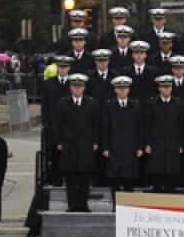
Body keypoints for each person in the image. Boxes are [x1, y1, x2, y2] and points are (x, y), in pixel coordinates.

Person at [54, 74, 99, 212]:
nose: (77, 89)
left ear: (84, 88)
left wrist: (96, 141)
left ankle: (83, 204)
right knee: (71, 178)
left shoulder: (91, 103)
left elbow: (96, 124)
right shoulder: (63, 103)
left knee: (84, 178)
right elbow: (58, 125)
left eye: (80, 87)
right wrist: (59, 142)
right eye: (74, 86)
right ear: (70, 88)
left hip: (85, 145)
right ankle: (72, 205)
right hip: (69, 146)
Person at [146, 75, 184, 192]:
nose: (166, 89)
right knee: (157, 169)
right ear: (159, 88)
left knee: (172, 170)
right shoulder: (152, 103)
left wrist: (181, 144)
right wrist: (148, 143)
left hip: (173, 143)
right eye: (163, 87)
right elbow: (148, 124)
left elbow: (182, 125)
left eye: (169, 87)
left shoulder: (179, 103)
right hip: (157, 143)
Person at [101, 77, 145, 192]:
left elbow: (140, 128)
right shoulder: (109, 105)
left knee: (129, 181)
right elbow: (105, 128)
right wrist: (105, 147)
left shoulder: (136, 105)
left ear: (129, 90)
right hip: (114, 148)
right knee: (114, 181)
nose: (122, 91)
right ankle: (115, 208)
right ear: (115, 90)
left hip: (131, 148)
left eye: (125, 88)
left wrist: (140, 147)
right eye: (119, 89)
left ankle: (127, 209)